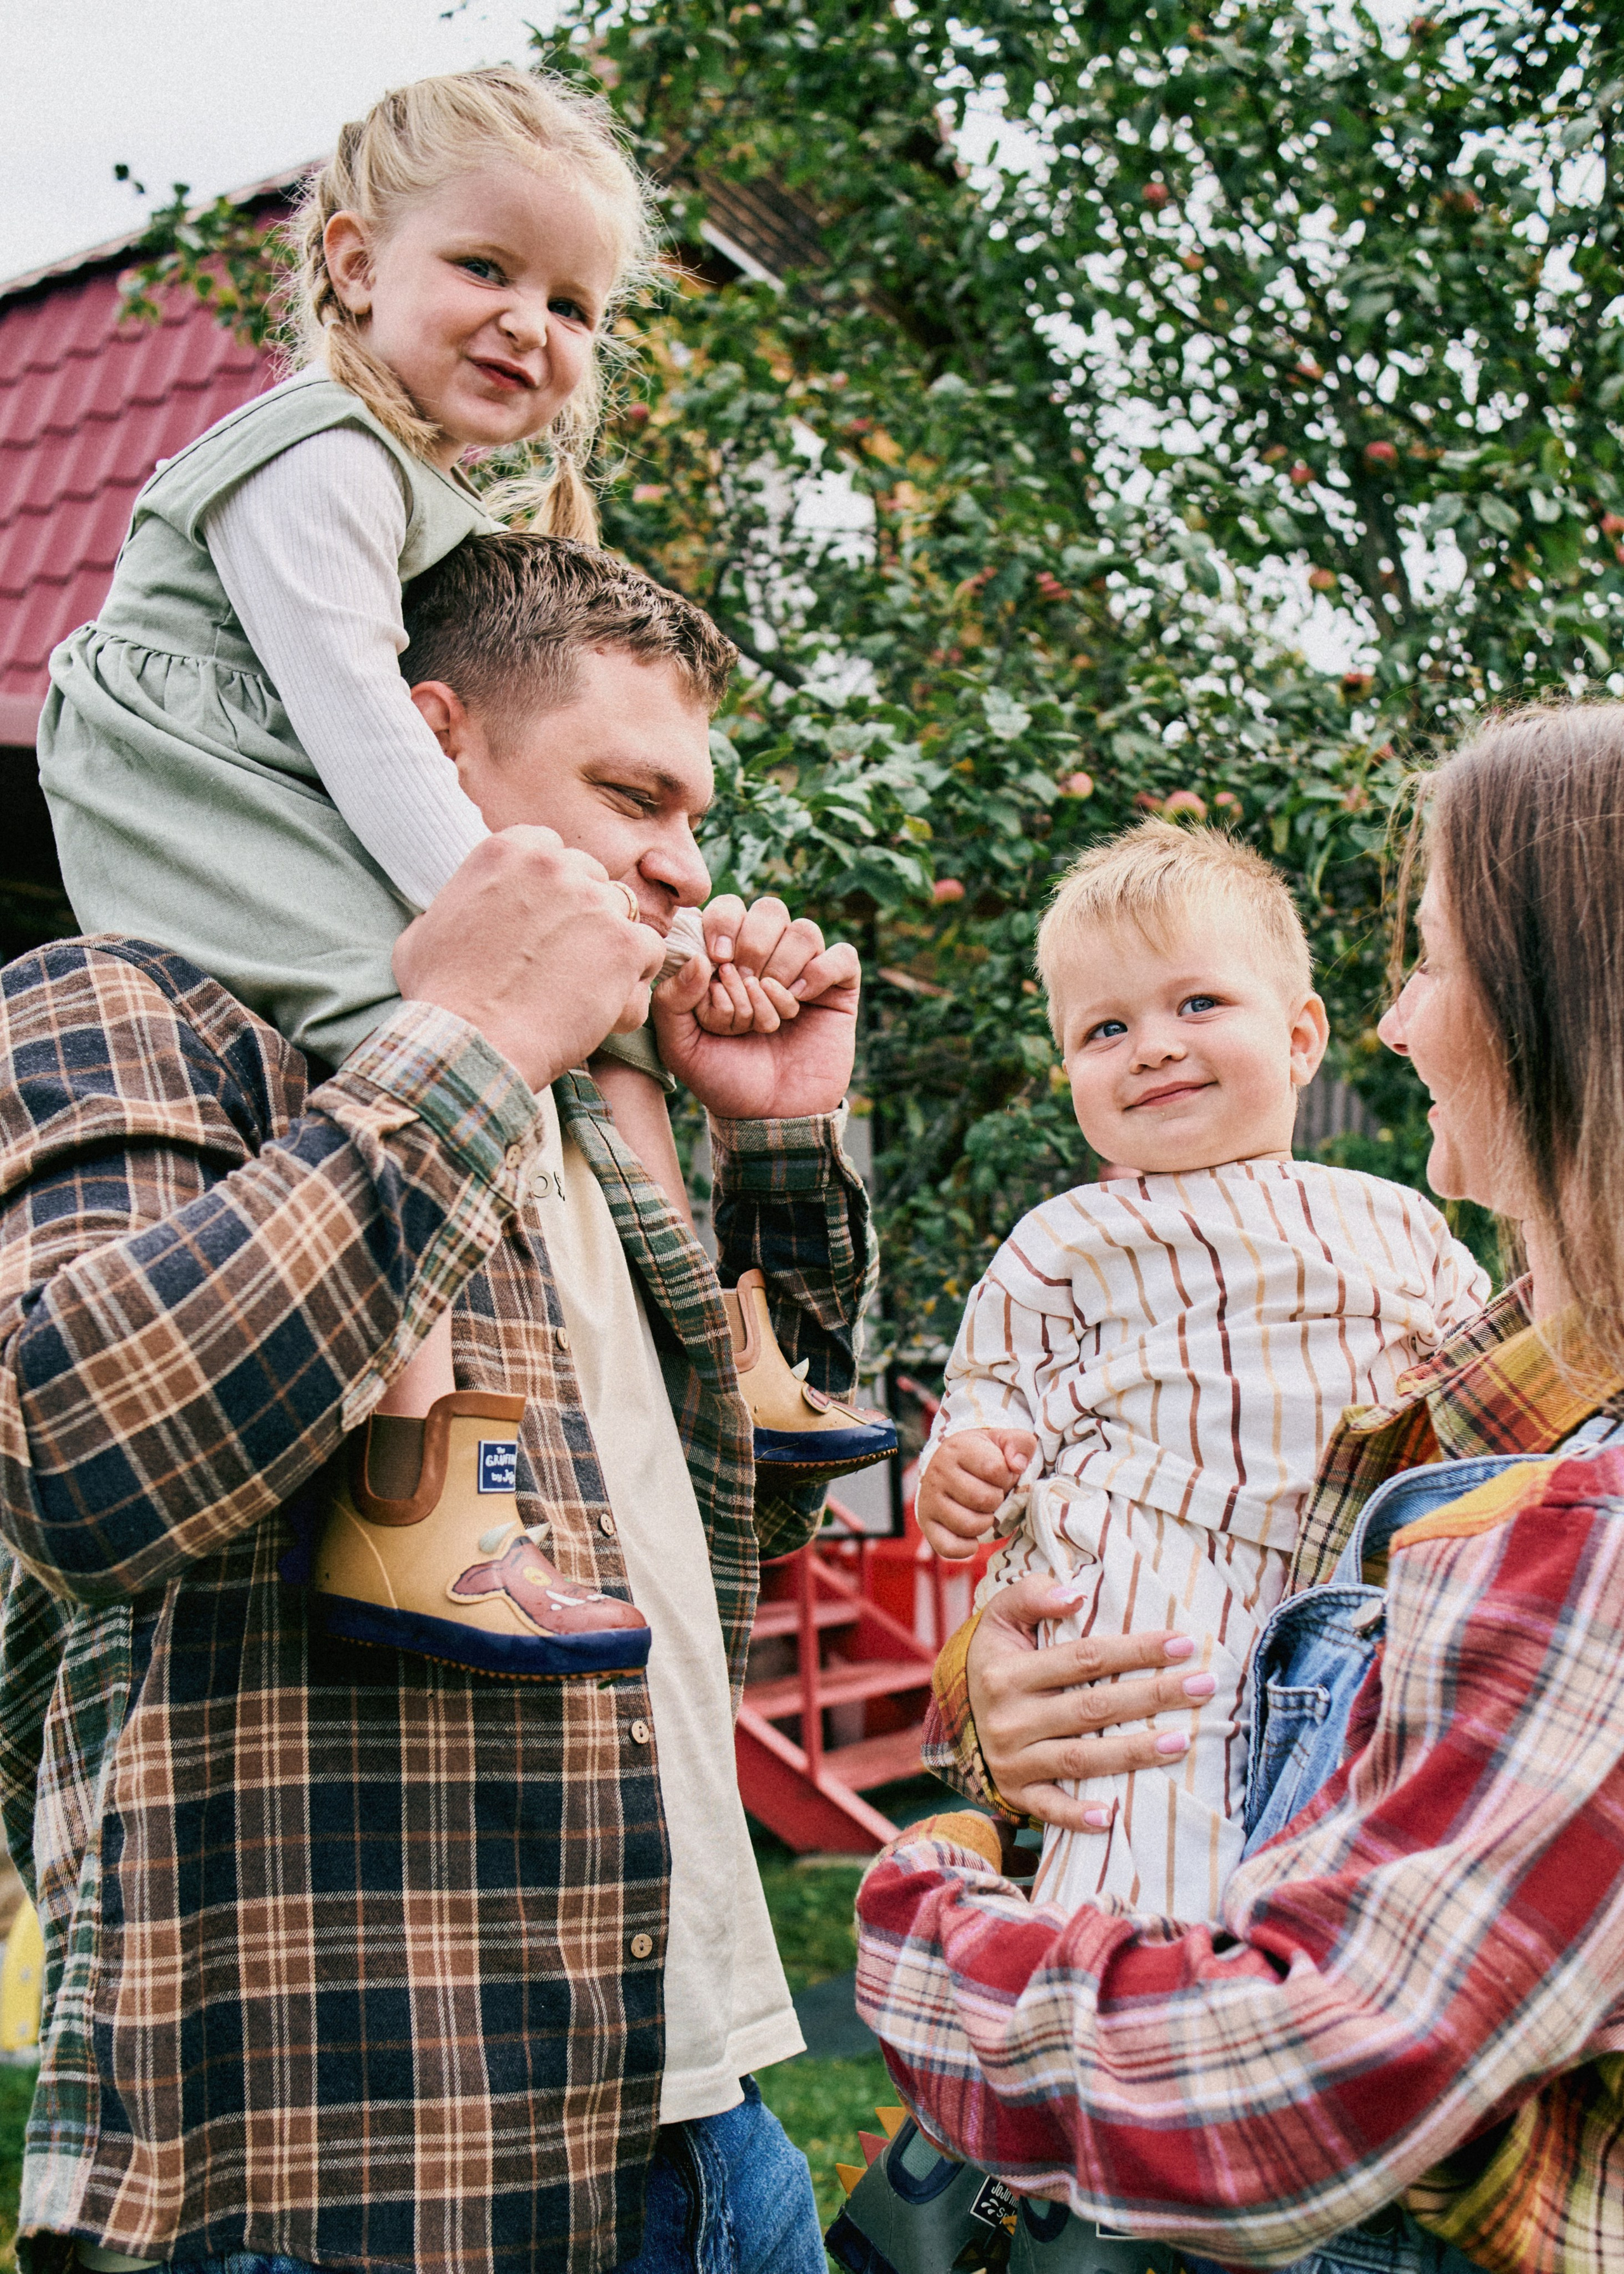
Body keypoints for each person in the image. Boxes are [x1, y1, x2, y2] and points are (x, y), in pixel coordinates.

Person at [0, 536, 868, 2272]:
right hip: (354, 2180)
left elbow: (720, 1559)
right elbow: (75, 1458)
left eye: (697, 816)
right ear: (428, 746)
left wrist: (770, 1136)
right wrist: (468, 1032)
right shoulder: (133, 1013)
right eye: (633, 794)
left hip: (718, 2132)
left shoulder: (570, 1125)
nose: (685, 868)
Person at [853, 705, 1624, 2274]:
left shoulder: (1590, 1518)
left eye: (1428, 962)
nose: (1400, 1024)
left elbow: (1289, 2080)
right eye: (1101, 1029)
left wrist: (921, 1902)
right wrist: (982, 1710)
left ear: (1560, 1013)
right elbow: (1226, 1562)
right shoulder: (1521, 1371)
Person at [35, 65, 711, 1467]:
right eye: (485, 266)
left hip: (293, 790)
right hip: (199, 791)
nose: (530, 323)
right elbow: (355, 714)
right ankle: (421, 1486)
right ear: (353, 262)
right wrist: (495, 906)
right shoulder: (317, 456)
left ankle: (709, 1336)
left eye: (573, 305)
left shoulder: (439, 490)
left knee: (607, 1009)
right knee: (408, 1035)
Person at [914, 820, 1487, 1923]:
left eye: (1198, 1006)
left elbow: (1480, 1371)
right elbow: (986, 1393)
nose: (1153, 1048)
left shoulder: (1392, 1218)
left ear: (1302, 1036)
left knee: (1336, 1848)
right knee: (1143, 1786)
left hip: (1347, 1585)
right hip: (1152, 1570)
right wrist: (966, 1468)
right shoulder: (1064, 1238)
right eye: (1106, 1028)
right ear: (1068, 1068)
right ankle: (1123, 1961)